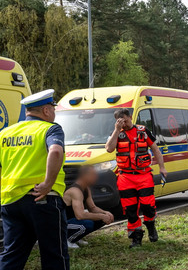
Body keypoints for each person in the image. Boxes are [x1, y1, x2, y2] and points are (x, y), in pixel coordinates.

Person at [0, 89, 69, 270]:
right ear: (46, 111)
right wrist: (47, 183)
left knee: (12, 255)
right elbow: (55, 151)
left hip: (10, 202)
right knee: (54, 255)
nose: (54, 113)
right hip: (42, 199)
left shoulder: (5, 133)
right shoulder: (50, 129)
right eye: (53, 109)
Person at [106, 108, 168, 248]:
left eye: (126, 120)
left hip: (144, 175)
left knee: (148, 205)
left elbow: (156, 150)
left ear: (130, 117)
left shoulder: (143, 131)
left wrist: (162, 168)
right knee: (130, 209)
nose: (124, 124)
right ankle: (136, 238)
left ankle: (151, 227)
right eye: (121, 122)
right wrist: (117, 130)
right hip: (125, 177)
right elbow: (109, 148)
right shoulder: (117, 133)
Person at [63, 165, 113, 249]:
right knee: (87, 223)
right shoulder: (75, 191)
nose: (96, 177)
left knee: (102, 219)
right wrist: (101, 215)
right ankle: (66, 240)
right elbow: (80, 215)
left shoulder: (86, 188)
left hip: (72, 221)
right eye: (93, 175)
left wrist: (105, 213)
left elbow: (92, 208)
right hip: (62, 224)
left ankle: (76, 237)